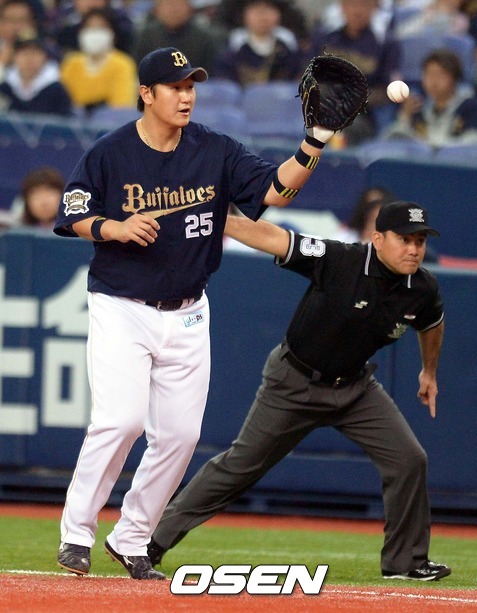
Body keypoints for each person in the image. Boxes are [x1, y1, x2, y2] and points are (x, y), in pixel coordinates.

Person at [54, 46, 335, 580]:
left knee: (181, 437)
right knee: (120, 420)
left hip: (188, 310)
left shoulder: (215, 149)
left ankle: (132, 538)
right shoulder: (111, 151)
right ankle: (76, 533)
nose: (186, 96)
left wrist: (314, 141)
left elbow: (275, 192)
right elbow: (72, 212)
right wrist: (113, 227)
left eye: (191, 86)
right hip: (122, 305)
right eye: (175, 86)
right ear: (146, 93)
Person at [147, 201, 451, 583]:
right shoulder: (341, 260)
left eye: (420, 241)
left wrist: (429, 371)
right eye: (404, 239)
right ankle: (150, 542)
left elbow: (432, 323)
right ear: (377, 239)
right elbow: (275, 238)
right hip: (295, 381)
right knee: (239, 468)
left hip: (355, 388)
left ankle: (405, 563)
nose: (414, 249)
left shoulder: (421, 287)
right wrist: (217, 218)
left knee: (409, 459)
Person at [312, 0, 401, 144]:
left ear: (374, 8)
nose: (357, 11)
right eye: (352, 4)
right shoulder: (326, 37)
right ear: (342, 7)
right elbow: (307, 76)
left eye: (364, 5)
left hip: (360, 116)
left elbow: (387, 91)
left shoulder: (385, 44)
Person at [383, 48, 477, 146]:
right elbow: (395, 139)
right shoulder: (418, 106)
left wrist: (437, 147)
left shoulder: (472, 107)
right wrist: (404, 117)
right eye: (428, 74)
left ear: (454, 78)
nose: (434, 81)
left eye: (440, 75)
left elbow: (475, 141)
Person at [59, 8, 138, 114]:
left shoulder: (123, 64)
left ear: (113, 34)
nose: (94, 33)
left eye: (100, 28)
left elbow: (121, 105)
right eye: (89, 28)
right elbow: (62, 101)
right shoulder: (71, 63)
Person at [211, 0, 304, 87]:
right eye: (256, 10)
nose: (263, 17)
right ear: (243, 14)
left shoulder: (288, 49)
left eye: (269, 9)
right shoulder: (233, 50)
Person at [132, 0, 224, 73]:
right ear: (156, 10)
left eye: (179, 4)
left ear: (190, 8)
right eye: (168, 4)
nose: (174, 10)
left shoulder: (205, 38)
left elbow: (211, 74)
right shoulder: (145, 36)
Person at [0, 32, 73, 116]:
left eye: (35, 53)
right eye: (25, 53)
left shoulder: (56, 90)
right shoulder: (5, 88)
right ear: (14, 57)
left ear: (45, 57)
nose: (30, 59)